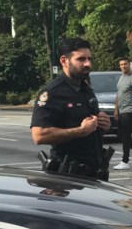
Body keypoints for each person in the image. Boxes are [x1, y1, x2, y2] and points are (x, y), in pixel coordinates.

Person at [30, 37, 112, 180]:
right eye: (81, 59)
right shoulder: (52, 93)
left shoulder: (86, 89)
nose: (88, 64)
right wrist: (81, 131)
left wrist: (104, 124)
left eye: (89, 59)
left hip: (96, 173)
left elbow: (91, 127)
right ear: (64, 61)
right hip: (68, 178)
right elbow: (39, 135)